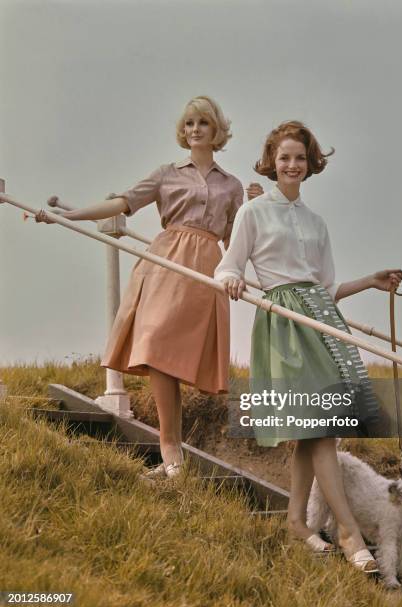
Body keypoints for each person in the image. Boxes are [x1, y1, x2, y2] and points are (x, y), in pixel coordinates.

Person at [215, 120, 402, 573]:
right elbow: (226, 267)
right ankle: (348, 532)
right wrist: (234, 280)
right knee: (318, 425)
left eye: (300, 157)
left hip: (322, 318)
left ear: (310, 163)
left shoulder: (317, 222)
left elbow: (326, 286)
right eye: (284, 158)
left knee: (319, 427)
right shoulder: (253, 212)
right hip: (284, 324)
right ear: (271, 162)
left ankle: (297, 521)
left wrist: (371, 282)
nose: (292, 165)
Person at [36, 95, 249, 478]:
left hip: (205, 271)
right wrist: (70, 216)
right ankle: (172, 457)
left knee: (176, 356)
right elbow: (122, 202)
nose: (195, 129)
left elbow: (237, 241)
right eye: (189, 124)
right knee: (153, 345)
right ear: (183, 132)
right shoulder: (167, 173)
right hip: (165, 262)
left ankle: (173, 458)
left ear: (216, 130)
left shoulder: (232, 186)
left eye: (203, 122)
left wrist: (254, 226)